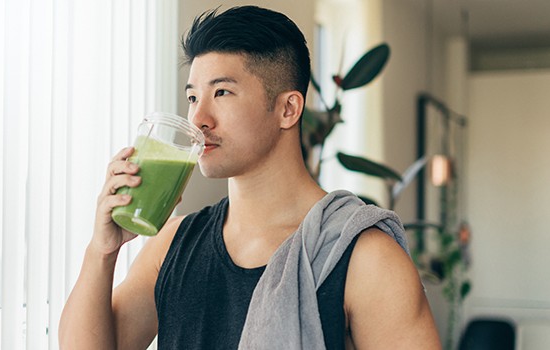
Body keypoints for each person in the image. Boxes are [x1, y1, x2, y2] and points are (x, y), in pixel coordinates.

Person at [59, 5, 440, 350]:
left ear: (288, 109)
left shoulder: (365, 257)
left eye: (222, 92)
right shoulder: (172, 245)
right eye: (193, 97)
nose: (198, 118)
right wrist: (102, 250)